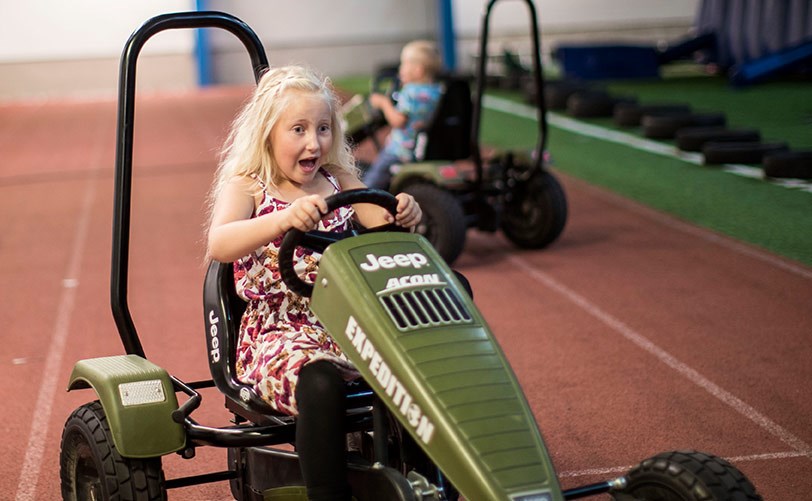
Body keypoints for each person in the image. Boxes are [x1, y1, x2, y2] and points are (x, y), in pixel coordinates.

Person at [206, 65, 422, 501]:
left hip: (345, 321)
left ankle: (425, 479)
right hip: (278, 331)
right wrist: (281, 219)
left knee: (420, 362)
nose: (314, 142)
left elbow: (382, 225)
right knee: (320, 382)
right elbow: (219, 243)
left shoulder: (337, 179)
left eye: (323, 128)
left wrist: (404, 213)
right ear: (268, 133)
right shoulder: (249, 185)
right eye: (299, 129)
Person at [362, 40, 443, 190]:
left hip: (400, 151)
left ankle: (364, 198)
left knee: (372, 179)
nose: (400, 69)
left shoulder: (410, 92)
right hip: (422, 147)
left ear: (418, 70)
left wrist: (383, 103)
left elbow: (398, 121)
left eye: (404, 64)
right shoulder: (437, 91)